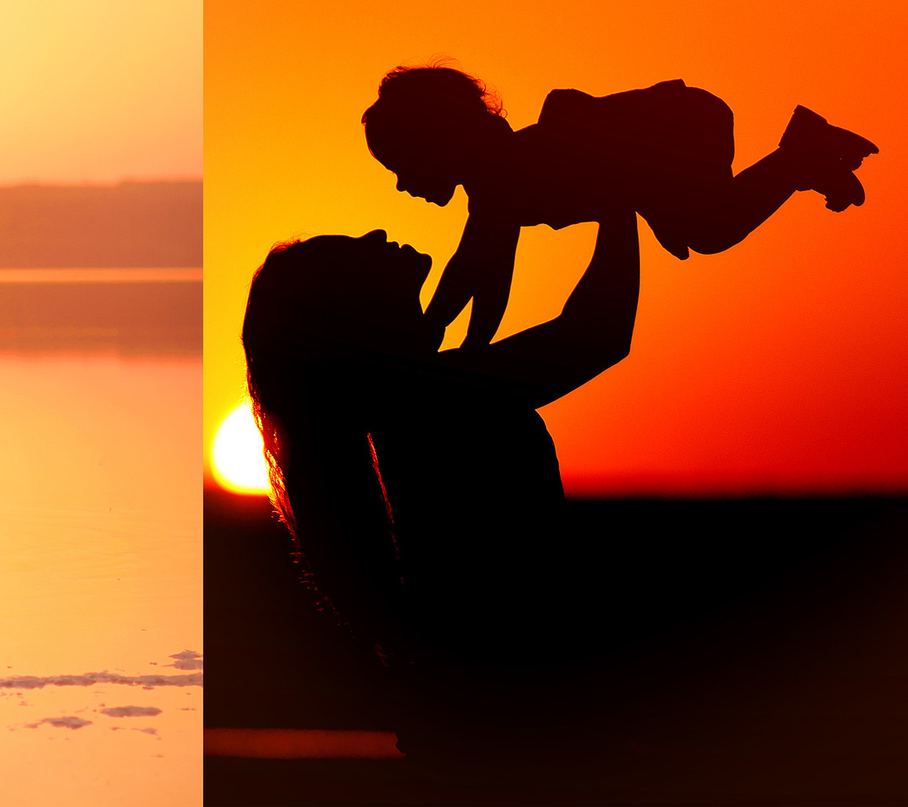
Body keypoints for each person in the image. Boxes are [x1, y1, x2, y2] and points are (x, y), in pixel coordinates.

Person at [242, 213, 641, 764]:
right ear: (350, 306)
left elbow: (479, 262)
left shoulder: (410, 390)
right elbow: (599, 333)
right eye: (359, 247)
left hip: (494, 711)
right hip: (521, 718)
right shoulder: (435, 395)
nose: (380, 234)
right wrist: (618, 208)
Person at [363, 64, 875, 349]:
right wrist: (435, 331)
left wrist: (466, 347)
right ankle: (801, 151)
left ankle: (799, 156)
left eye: (403, 168)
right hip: (676, 128)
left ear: (438, 146)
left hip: (678, 125)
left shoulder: (502, 178)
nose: (405, 187)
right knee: (706, 225)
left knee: (710, 229)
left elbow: (490, 274)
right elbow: (472, 267)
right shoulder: (496, 183)